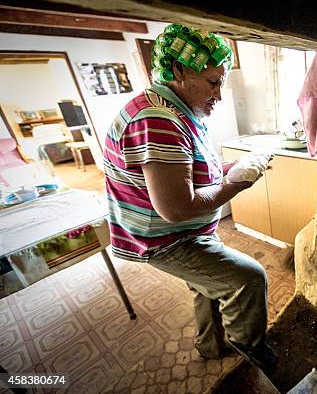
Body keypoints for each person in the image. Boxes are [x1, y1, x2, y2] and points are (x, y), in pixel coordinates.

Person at [103, 23, 276, 369]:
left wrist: (236, 166)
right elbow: (178, 207)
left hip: (187, 232)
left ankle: (210, 346)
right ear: (180, 71)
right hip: (166, 239)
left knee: (207, 284)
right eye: (214, 83)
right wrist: (238, 183)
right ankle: (249, 348)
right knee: (247, 279)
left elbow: (191, 171)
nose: (220, 95)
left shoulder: (175, 109)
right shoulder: (158, 119)